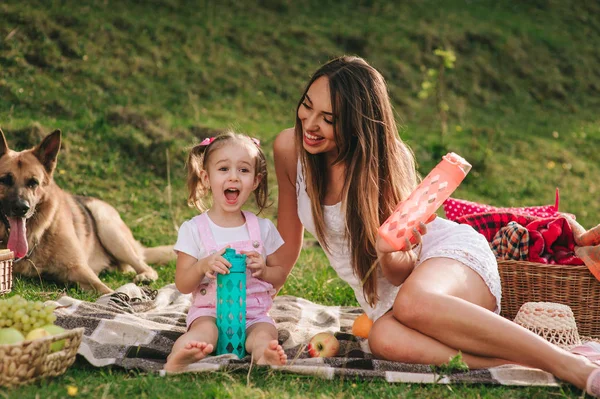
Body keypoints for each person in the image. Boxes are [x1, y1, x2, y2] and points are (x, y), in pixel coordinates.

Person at [272, 55, 600, 395]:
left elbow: (400, 272)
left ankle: (571, 366)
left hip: (445, 264)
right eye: (306, 107)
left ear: (358, 124)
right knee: (383, 339)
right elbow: (285, 246)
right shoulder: (288, 148)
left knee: (413, 301)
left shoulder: (381, 166)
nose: (309, 124)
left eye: (328, 119)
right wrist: (259, 302)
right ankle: (542, 358)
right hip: (390, 305)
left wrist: (387, 252)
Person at [165, 132, 287, 372]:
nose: (234, 177)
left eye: (243, 170)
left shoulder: (263, 229)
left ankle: (264, 354)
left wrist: (264, 271)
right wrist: (202, 266)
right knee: (204, 333)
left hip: (253, 315)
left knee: (264, 332)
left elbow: (280, 274)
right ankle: (183, 355)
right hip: (209, 314)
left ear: (256, 180)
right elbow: (182, 284)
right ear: (206, 178)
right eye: (223, 169)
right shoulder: (194, 230)